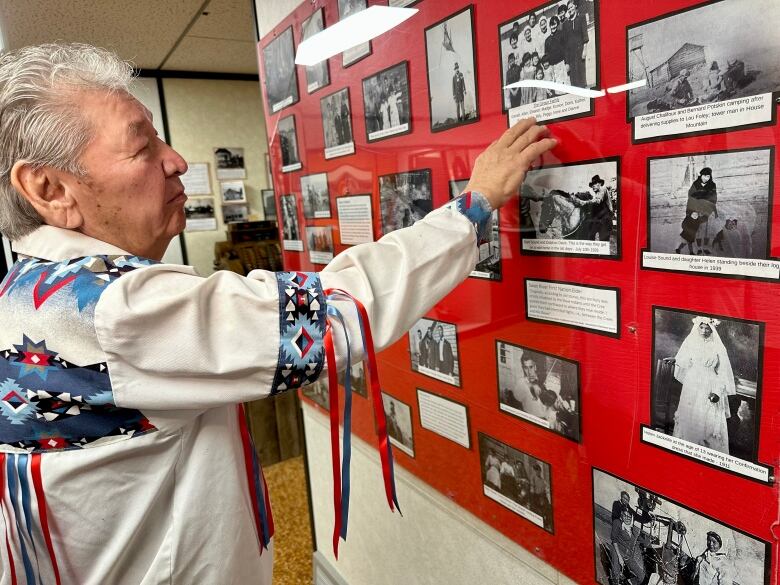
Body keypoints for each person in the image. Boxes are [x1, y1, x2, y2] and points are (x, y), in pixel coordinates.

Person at [0, 43, 557, 583]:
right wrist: (473, 205)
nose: (176, 161)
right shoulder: (112, 309)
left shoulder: (25, 291)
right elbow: (332, 314)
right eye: (142, 146)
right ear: (48, 187)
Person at [669, 317, 736, 454]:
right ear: (697, 327)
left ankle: (706, 452)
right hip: (691, 383)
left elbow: (722, 372)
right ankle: (686, 448)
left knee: (706, 417)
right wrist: (675, 360)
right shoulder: (692, 343)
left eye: (707, 328)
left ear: (712, 329)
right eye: (701, 327)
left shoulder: (717, 347)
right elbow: (684, 360)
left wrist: (717, 391)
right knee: (689, 414)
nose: (704, 331)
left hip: (708, 384)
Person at [677, 167, 718, 255]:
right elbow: (690, 198)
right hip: (696, 211)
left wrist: (709, 211)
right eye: (704, 176)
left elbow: (714, 198)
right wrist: (691, 212)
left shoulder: (712, 185)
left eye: (708, 176)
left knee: (706, 231)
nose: (706, 178)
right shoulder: (695, 184)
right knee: (698, 230)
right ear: (701, 175)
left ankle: (705, 248)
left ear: (710, 177)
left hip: (707, 211)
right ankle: (699, 248)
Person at [609, 508, 647, 585]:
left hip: (628, 555)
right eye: (625, 515)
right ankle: (615, 581)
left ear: (632, 517)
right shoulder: (618, 524)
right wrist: (620, 558)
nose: (627, 518)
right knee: (616, 575)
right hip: (617, 550)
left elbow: (639, 541)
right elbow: (614, 540)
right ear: (622, 516)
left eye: (629, 516)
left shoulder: (634, 530)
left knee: (641, 577)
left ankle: (628, 582)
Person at [563, 0, 589, 88]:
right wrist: (566, 62)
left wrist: (584, 50)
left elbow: (585, 35)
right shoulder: (565, 24)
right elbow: (565, 45)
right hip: (571, 56)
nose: (570, 9)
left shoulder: (581, 18)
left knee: (582, 78)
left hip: (580, 52)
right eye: (568, 8)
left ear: (575, 6)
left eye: (571, 7)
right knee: (573, 81)